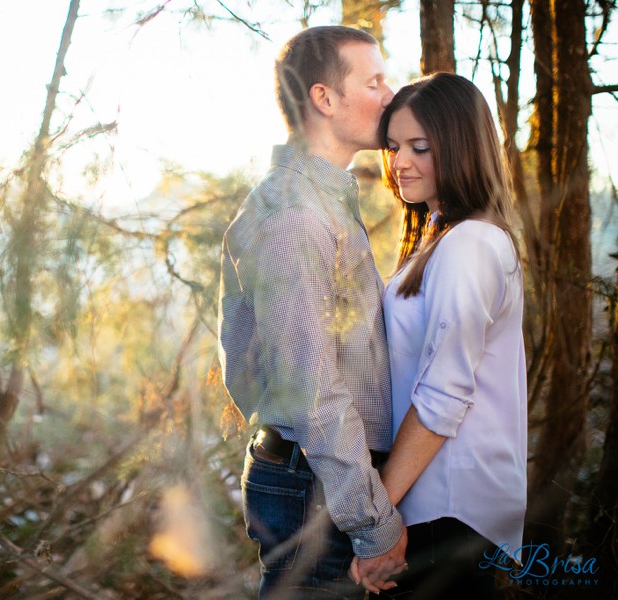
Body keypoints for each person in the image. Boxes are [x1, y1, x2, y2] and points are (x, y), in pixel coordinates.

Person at [218, 25, 408, 599]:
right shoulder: (296, 215)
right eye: (373, 81)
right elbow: (312, 395)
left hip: (318, 479)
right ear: (324, 98)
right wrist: (375, 526)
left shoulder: (318, 202)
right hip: (318, 487)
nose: (389, 94)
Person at [351, 72, 527, 599]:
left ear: (461, 147)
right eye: (393, 146)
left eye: (419, 147)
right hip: (432, 504)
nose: (399, 162)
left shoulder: (469, 243)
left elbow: (444, 392)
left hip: (446, 509)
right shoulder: (441, 236)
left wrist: (378, 516)